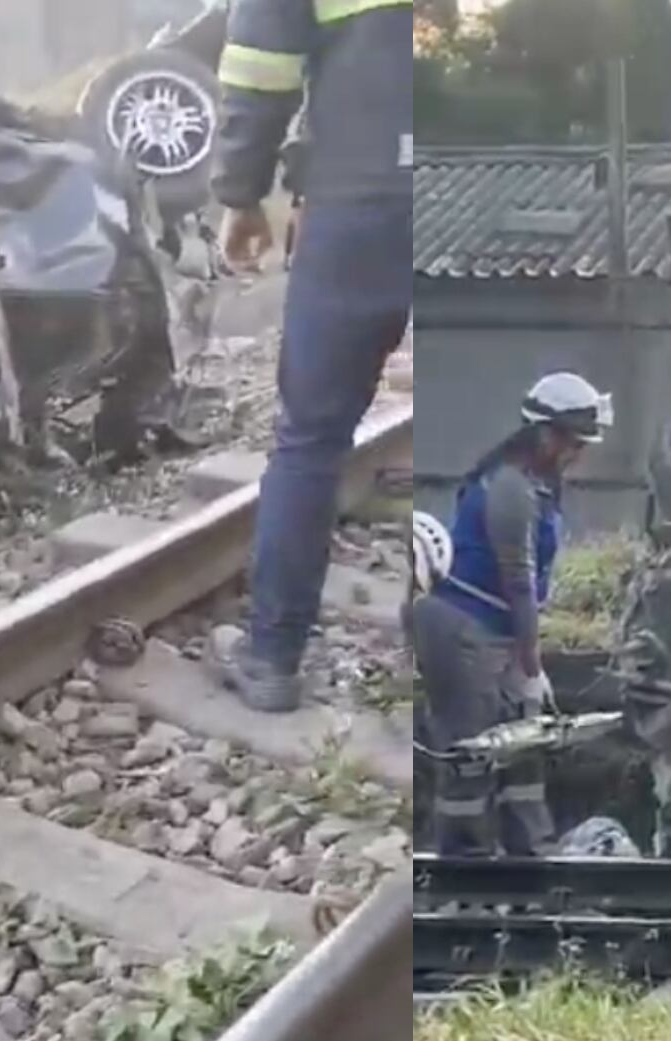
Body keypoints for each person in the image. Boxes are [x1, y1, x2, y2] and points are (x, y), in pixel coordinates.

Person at [206, 0, 414, 713]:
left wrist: (242, 191)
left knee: (311, 438)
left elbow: (261, 66)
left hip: (363, 198)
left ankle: (271, 658)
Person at [404, 372, 613, 856]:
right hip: (465, 630)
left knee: (525, 745)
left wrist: (524, 665)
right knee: (471, 752)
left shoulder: (536, 485)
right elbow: (517, 580)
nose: (579, 454)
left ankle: (531, 849)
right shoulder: (510, 490)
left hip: (497, 630)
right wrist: (533, 663)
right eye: (574, 443)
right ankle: (464, 860)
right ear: (545, 435)